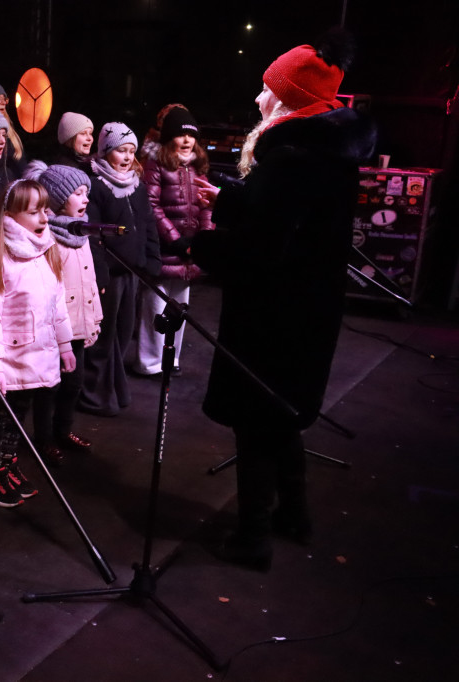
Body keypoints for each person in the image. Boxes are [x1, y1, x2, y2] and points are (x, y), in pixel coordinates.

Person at [191, 33, 376, 571]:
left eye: (266, 90)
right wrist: (231, 196)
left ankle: (253, 539)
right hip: (305, 315)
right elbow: (290, 221)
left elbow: (261, 247)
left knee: (256, 423)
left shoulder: (291, 156)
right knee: (283, 419)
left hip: (273, 320)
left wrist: (201, 243)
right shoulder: (325, 151)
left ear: (290, 98)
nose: (257, 99)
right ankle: (294, 516)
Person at [0, 179, 75, 507]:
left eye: (45, 209)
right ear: (10, 214)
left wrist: (66, 344)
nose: (44, 217)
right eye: (34, 211)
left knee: (21, 412)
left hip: (36, 355)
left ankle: (8, 463)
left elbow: (58, 304)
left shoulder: (46, 250)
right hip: (8, 359)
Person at [79, 122, 161, 416]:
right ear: (105, 152)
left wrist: (152, 260)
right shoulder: (97, 185)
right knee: (103, 336)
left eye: (131, 151)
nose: (127, 157)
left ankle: (114, 389)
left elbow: (148, 224)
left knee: (124, 332)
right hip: (110, 274)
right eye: (120, 151)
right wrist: (100, 270)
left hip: (132, 272)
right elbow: (93, 234)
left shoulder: (136, 185)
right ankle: (93, 394)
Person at [24, 162, 103, 463]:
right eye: (78, 193)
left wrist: (94, 316)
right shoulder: (49, 239)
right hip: (57, 328)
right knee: (50, 387)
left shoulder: (81, 234)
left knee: (74, 384)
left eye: (86, 193)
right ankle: (43, 438)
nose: (85, 200)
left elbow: (89, 280)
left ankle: (64, 430)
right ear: (58, 199)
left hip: (79, 326)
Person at [135, 106, 213, 376]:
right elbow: (151, 205)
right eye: (181, 135)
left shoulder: (197, 166)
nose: (187, 141)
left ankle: (171, 359)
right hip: (164, 246)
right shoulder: (156, 164)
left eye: (191, 136)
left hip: (189, 248)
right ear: (170, 137)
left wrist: (204, 238)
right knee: (156, 305)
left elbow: (206, 206)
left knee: (180, 307)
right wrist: (176, 239)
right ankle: (150, 362)